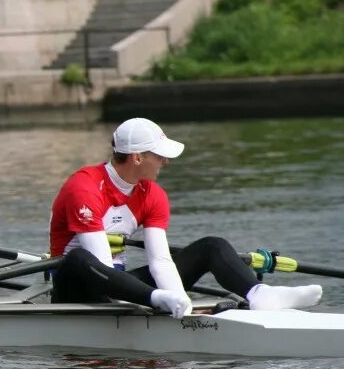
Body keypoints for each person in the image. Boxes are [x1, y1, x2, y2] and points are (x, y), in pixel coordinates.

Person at [49, 117, 323, 317]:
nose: (165, 162)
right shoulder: (84, 186)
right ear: (136, 157)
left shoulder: (152, 194)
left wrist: (180, 302)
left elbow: (160, 261)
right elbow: (102, 263)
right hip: (77, 289)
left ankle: (260, 296)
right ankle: (155, 299)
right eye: (159, 156)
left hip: (122, 287)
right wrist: (155, 300)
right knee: (78, 259)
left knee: (211, 246)